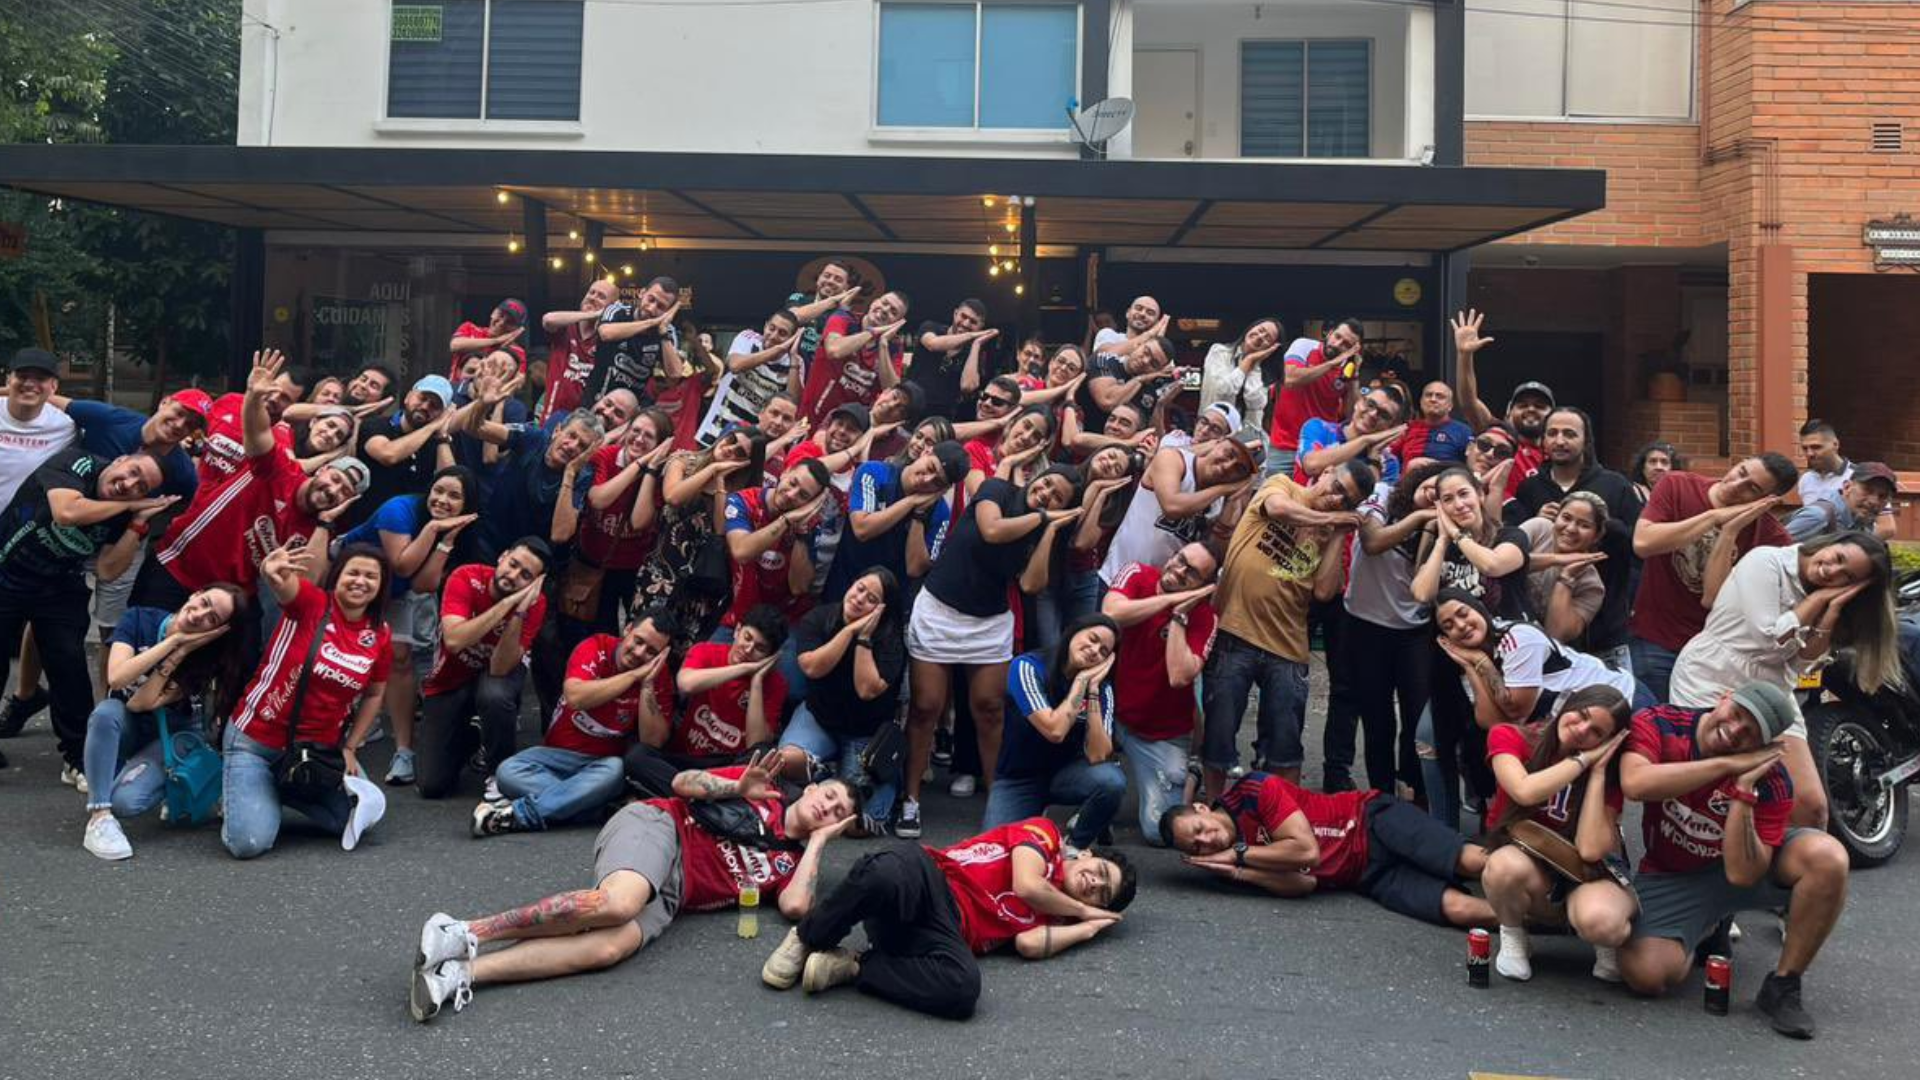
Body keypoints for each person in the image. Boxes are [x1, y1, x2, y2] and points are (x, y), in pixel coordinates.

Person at [409, 755, 860, 1023]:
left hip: (675, 894)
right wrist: (735, 785)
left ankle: (460, 975)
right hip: (661, 826)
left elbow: (796, 906)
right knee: (620, 903)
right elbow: (683, 784)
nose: (827, 806)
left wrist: (818, 842)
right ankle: (464, 931)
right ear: (814, 787)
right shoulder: (763, 787)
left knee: (608, 949)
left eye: (836, 811)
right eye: (829, 795)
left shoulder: (795, 863)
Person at [1618, 681, 1851, 1040]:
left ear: (1765, 745)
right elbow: (1635, 783)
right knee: (1645, 974)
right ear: (1723, 698)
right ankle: (1708, 926)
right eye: (1738, 714)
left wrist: (1743, 791)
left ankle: (1784, 985)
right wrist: (1726, 764)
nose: (1736, 730)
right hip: (1673, 872)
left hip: (1739, 864)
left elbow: (1743, 874)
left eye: (1751, 732)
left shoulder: (1773, 780)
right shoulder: (1661, 721)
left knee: (1828, 857)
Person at [762, 816, 1135, 1018]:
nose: (1093, 883)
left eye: (1102, 892)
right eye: (1100, 871)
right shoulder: (1047, 835)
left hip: (941, 935)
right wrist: (1085, 909)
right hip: (930, 879)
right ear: (1086, 854)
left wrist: (1086, 929)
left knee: (963, 990)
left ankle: (857, 967)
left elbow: (1028, 944)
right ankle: (808, 937)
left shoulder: (1058, 919)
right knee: (885, 870)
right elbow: (1026, 885)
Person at [900, 465, 1085, 838]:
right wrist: (1044, 516)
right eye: (1047, 483)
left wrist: (1049, 529)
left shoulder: (1042, 526)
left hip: (989, 623)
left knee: (990, 710)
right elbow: (992, 530)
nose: (1047, 492)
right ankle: (910, 799)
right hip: (939, 610)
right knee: (926, 707)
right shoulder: (997, 490)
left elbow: (1032, 584)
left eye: (1058, 496)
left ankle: (1000, 799)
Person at [1671, 530, 1900, 830]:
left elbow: (1801, 665)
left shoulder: (1829, 598)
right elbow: (1770, 640)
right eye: (1838, 557)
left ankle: (1785, 869)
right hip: (1713, 677)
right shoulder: (1767, 562)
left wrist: (1830, 613)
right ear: (1831, 542)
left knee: (1811, 807)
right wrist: (1817, 599)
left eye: (1846, 577)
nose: (1832, 571)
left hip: (1773, 691)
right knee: (1715, 793)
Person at [132, 350, 366, 612]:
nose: (334, 489)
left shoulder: (316, 529)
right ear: (323, 470)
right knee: (135, 637)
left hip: (225, 599)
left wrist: (325, 522)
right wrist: (254, 395)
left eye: (344, 490)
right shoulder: (280, 466)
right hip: (179, 561)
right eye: (335, 478)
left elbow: (303, 590)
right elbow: (255, 434)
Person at [0, 446, 172, 782]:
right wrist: (131, 504)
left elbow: (108, 570)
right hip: (6, 573)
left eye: (142, 487)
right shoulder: (78, 463)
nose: (130, 484)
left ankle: (78, 758)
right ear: (120, 460)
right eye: (133, 471)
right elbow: (66, 512)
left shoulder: (128, 512)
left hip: (57, 584)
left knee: (68, 663)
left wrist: (136, 525)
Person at [1203, 459, 1370, 797]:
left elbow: (1324, 591)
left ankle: (1281, 819)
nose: (1337, 500)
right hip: (1236, 631)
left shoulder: (1330, 528)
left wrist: (1338, 534)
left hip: (1288, 645)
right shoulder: (1283, 486)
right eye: (1337, 487)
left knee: (1284, 745)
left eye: (1347, 501)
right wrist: (1330, 517)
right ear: (1324, 472)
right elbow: (1278, 509)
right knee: (1219, 737)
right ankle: (1213, 810)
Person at [221, 542, 392, 859]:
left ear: (381, 586)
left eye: (371, 576)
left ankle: (284, 786)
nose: (360, 581)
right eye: (353, 572)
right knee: (248, 843)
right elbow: (284, 585)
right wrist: (270, 571)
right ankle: (251, 785)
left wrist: (351, 746)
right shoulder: (312, 604)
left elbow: (375, 693)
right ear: (337, 576)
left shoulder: (379, 633)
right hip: (255, 741)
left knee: (357, 820)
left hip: (315, 752)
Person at [1161, 771, 1495, 928]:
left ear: (1202, 809)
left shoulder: (1253, 789)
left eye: (1199, 830)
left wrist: (1240, 854)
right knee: (1460, 910)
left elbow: (1307, 852)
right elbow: (1304, 883)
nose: (1206, 841)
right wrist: (1237, 872)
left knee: (1470, 861)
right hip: (1366, 875)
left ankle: (1542, 871)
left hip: (1371, 819)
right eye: (1196, 847)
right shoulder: (1226, 863)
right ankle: (1544, 922)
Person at [79, 583, 249, 859]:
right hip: (127, 726)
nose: (199, 614)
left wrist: (180, 654)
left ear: (216, 632)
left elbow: (141, 701)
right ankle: (99, 816)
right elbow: (117, 678)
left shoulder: (204, 658)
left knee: (126, 803)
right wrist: (173, 642)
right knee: (106, 713)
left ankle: (172, 787)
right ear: (195, 593)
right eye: (204, 602)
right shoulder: (138, 618)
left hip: (169, 737)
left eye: (212, 618)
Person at [1479, 686, 1637, 983]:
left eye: (1596, 732)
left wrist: (1599, 772)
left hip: (1586, 874)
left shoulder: (1608, 775)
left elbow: (1590, 850)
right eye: (1582, 715)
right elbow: (1524, 791)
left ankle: (1606, 942)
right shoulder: (1511, 736)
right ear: (1569, 705)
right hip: (1531, 866)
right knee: (1503, 866)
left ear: (1607, 744)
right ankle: (1513, 935)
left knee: (1603, 923)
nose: (1581, 729)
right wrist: (1582, 762)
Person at [336, 465, 481, 785]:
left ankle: (404, 750)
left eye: (454, 496)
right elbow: (402, 564)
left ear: (466, 505)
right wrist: (433, 530)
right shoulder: (398, 510)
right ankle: (339, 730)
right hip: (351, 579)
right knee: (341, 651)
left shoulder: (461, 532)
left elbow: (422, 584)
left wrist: (446, 542)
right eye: (438, 490)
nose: (442, 500)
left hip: (395, 591)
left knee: (399, 656)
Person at [472, 610, 675, 837]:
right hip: (555, 756)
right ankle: (595, 806)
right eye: (638, 641)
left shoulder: (658, 675)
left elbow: (653, 740)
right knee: (507, 772)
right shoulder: (595, 646)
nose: (639, 652)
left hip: (601, 767)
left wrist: (647, 684)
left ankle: (520, 814)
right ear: (627, 630)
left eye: (651, 651)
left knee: (616, 770)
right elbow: (576, 697)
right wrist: (634, 676)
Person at [1629, 453, 1799, 700]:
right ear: (1738, 463)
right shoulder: (1677, 485)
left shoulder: (1772, 539)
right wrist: (1713, 517)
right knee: (1652, 725)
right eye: (1741, 472)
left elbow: (1713, 599)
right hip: (1655, 637)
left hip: (1715, 652)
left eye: (1751, 488)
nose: (1735, 484)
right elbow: (1643, 543)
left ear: (1767, 500)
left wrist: (1729, 532)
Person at [415, 539, 551, 800]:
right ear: (502, 556)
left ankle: (500, 772)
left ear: (534, 584)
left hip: (491, 676)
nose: (513, 576)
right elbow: (454, 640)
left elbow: (500, 667)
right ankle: (474, 735)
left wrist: (519, 611)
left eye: (525, 575)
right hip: (448, 680)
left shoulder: (535, 603)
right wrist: (504, 606)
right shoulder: (466, 576)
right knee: (432, 785)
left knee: (494, 694)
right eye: (513, 564)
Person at [1101, 545, 1218, 843]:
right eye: (1180, 560)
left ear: (1203, 587)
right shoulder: (1137, 572)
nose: (1179, 570)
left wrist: (1179, 615)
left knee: (1159, 832)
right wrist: (1169, 599)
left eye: (1191, 573)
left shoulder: (1205, 618)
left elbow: (1179, 676)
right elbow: (1111, 612)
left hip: (1160, 733)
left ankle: (1191, 774)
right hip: (1111, 713)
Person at [780, 569, 909, 834]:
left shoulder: (891, 640)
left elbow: (866, 689)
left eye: (871, 598)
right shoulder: (820, 617)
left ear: (882, 610)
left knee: (862, 822)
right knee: (785, 762)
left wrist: (863, 638)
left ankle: (829, 778)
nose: (860, 598)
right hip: (819, 718)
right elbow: (813, 668)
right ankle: (828, 773)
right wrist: (850, 630)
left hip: (865, 735)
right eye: (860, 588)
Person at [1343, 461, 1445, 797]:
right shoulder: (1383, 495)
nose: (1433, 493)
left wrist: (1433, 529)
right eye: (1432, 484)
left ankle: (1413, 789)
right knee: (1377, 719)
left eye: (1442, 493)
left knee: (1418, 720)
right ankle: (1381, 797)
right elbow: (1371, 541)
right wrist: (1417, 518)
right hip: (1364, 626)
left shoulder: (1442, 528)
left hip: (1412, 631)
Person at [983, 614, 1124, 852]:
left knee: (1111, 782)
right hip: (1019, 777)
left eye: (1103, 651)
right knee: (993, 850)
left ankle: (1074, 846)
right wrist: (1079, 683)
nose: (1093, 650)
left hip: (1068, 774)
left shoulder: (1103, 689)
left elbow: (1099, 755)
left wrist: (1091, 693)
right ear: (1073, 632)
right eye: (1091, 639)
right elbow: (1055, 730)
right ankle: (1039, 819)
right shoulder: (1028, 666)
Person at [624, 605, 793, 798]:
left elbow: (756, 742)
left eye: (760, 648)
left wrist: (756, 681)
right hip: (684, 758)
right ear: (737, 630)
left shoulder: (775, 684)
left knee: (763, 754)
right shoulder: (706, 651)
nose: (748, 649)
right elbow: (686, 684)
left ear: (770, 657)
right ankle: (700, 801)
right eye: (747, 637)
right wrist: (744, 669)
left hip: (726, 767)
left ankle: (691, 800)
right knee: (636, 757)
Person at [634, 428, 769, 652]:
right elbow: (674, 497)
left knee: (678, 653)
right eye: (731, 441)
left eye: (739, 453)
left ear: (747, 464)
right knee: (642, 642)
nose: (729, 450)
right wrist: (713, 468)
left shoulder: (740, 493)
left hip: (701, 584)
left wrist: (720, 484)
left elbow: (719, 531)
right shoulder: (684, 460)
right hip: (661, 574)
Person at [1097, 434, 1257, 587]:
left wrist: (1234, 499)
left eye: (1239, 468)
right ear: (1218, 443)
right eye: (1229, 453)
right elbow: (1172, 507)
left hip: (1159, 592)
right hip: (1116, 577)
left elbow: (1216, 554)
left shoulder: (1220, 501)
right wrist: (1224, 489)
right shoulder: (1173, 459)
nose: (1228, 466)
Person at [829, 436, 967, 597]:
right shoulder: (875, 472)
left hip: (887, 600)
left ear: (943, 489)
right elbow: (862, 529)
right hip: (844, 583)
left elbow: (914, 569)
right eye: (930, 468)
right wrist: (911, 502)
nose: (927, 479)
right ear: (926, 452)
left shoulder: (940, 512)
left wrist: (919, 515)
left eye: (937, 482)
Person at [1448, 309, 1552, 498]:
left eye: (1539, 406)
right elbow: (1469, 401)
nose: (1531, 409)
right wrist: (1464, 356)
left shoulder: (1557, 452)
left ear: (1552, 415)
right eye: (1522, 405)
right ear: (1508, 413)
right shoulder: (1496, 434)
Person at [348, 374, 463, 530]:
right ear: (408, 397)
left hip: (409, 530)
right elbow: (388, 455)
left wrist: (441, 436)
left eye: (434, 405)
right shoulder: (376, 425)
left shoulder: (438, 442)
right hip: (362, 524)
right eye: (422, 398)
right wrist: (432, 426)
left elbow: (450, 482)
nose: (425, 406)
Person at [1267, 318, 1363, 479]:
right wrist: (1331, 364)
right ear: (1329, 333)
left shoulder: (1347, 370)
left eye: (1346, 344)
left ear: (1353, 350)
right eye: (1337, 337)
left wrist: (1355, 377)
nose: (1338, 344)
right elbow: (1290, 379)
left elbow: (1350, 415)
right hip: (1284, 445)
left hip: (1320, 450)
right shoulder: (1304, 345)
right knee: (1271, 498)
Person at [695, 309, 803, 446]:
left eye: (782, 333)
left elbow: (790, 404)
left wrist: (793, 356)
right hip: (714, 431)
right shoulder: (748, 338)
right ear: (765, 326)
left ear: (792, 339)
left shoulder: (795, 363)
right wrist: (778, 349)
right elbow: (735, 365)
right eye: (772, 328)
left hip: (748, 441)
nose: (774, 335)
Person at [801, 288, 908, 427]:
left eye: (893, 312)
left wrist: (882, 344)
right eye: (884, 303)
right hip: (810, 418)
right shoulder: (844, 318)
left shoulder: (892, 347)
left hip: (849, 429)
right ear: (874, 302)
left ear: (897, 323)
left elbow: (891, 389)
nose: (886, 310)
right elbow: (834, 350)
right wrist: (872, 332)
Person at [1517, 491, 1611, 647]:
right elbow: (1498, 564)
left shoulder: (1592, 586)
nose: (1571, 528)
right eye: (1566, 518)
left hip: (1537, 650)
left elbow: (1556, 634)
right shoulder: (1537, 529)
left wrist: (1566, 579)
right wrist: (1555, 559)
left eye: (1584, 525)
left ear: (1596, 535)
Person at [589, 277, 686, 405]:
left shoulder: (667, 332)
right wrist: (651, 323)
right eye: (651, 299)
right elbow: (606, 333)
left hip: (632, 409)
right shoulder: (619, 309)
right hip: (597, 399)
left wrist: (662, 332)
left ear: (667, 312)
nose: (652, 308)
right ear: (642, 293)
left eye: (661, 307)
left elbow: (674, 375)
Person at [0, 348, 77, 507]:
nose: (29, 384)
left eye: (40, 379)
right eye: (22, 376)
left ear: (54, 386)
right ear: (8, 380)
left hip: (17, 526)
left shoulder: (66, 427)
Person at [1792, 421, 1893, 542]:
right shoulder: (1806, 479)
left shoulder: (1860, 477)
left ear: (1835, 444)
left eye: (1816, 447)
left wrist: (1853, 549)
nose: (1810, 453)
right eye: (1805, 448)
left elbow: (1887, 528)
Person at [1293, 381, 1408, 486]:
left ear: (1391, 426)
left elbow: (1372, 505)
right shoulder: (1320, 427)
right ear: (1358, 402)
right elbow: (1312, 466)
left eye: (1384, 414)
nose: (1373, 414)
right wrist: (1365, 440)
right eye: (1370, 404)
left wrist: (1374, 461)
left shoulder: (1389, 462)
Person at [539, 278, 621, 425]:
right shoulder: (566, 328)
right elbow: (548, 320)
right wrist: (593, 314)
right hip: (551, 419)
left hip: (583, 424)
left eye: (601, 296)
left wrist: (606, 317)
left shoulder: (608, 339)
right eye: (591, 292)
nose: (593, 297)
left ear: (612, 307)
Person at [908, 298, 999, 421]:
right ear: (955, 313)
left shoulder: (973, 351)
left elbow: (968, 386)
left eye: (973, 322)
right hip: (909, 402)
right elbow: (932, 344)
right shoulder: (931, 327)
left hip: (940, 416)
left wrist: (976, 344)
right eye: (963, 316)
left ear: (980, 326)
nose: (966, 324)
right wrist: (971, 335)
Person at [1198, 317, 1281, 435]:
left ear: (1270, 348)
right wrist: (1248, 361)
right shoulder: (1219, 352)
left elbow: (1255, 403)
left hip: (1245, 438)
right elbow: (1223, 390)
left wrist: (1255, 364)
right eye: (1261, 330)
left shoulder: (1262, 371)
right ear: (1251, 328)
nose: (1260, 336)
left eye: (1268, 338)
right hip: (1211, 431)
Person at [1785, 461, 1899, 541]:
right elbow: (1773, 552)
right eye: (1867, 490)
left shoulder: (1861, 521)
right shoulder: (1818, 517)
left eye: (1882, 496)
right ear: (1847, 487)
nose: (1874, 501)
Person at [1391, 381, 1473, 466]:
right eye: (1428, 395)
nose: (1433, 399)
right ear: (1421, 402)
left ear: (1450, 406)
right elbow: (1389, 458)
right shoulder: (1408, 428)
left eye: (1440, 396)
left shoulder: (1463, 431)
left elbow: (1471, 465)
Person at [448, 298, 529, 377]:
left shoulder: (518, 351)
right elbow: (455, 345)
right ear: (493, 312)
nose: (501, 322)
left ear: (516, 329)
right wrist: (496, 341)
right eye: (501, 315)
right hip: (455, 387)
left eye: (510, 321)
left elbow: (519, 382)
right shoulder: (470, 328)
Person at [1628, 440, 1684, 504]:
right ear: (1642, 467)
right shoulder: (1632, 493)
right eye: (1652, 461)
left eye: (1664, 462)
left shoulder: (1679, 495)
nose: (1658, 467)